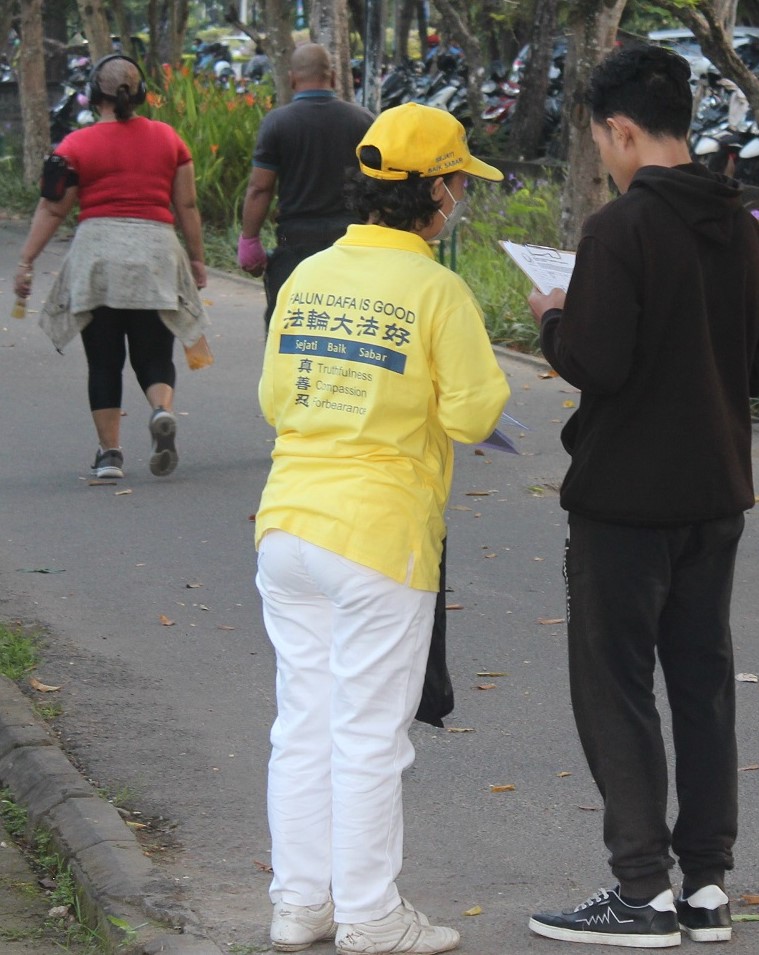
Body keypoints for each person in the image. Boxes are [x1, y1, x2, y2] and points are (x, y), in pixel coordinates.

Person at [525, 45, 759, 948]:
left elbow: (594, 362)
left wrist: (552, 315)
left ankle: (640, 889)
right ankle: (706, 885)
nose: (603, 155)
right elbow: (756, 369)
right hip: (716, 491)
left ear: (623, 130)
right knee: (703, 683)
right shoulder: (746, 230)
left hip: (625, 498)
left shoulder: (619, 230)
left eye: (601, 140)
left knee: (617, 685)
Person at [255, 102, 509, 955]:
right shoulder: (437, 290)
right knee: (369, 734)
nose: (459, 199)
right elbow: (473, 415)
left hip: (288, 525)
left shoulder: (307, 274)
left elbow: (273, 399)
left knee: (303, 724)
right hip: (378, 537)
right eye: (459, 184)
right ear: (434, 191)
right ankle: (369, 915)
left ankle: (299, 905)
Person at [14, 53, 208, 481]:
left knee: (104, 362)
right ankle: (160, 409)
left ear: (92, 94)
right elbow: (187, 204)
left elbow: (53, 209)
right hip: (156, 255)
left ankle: (110, 456)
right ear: (140, 94)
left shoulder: (75, 146)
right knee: (154, 354)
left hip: (98, 259)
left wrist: (26, 262)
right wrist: (196, 258)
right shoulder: (169, 139)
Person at [238, 43, 373, 330]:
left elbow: (260, 189)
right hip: (351, 244)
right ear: (333, 77)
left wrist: (249, 241)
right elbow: (378, 183)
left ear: (292, 79)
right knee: (346, 326)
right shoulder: (363, 121)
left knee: (289, 328)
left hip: (295, 244)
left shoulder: (278, 123)